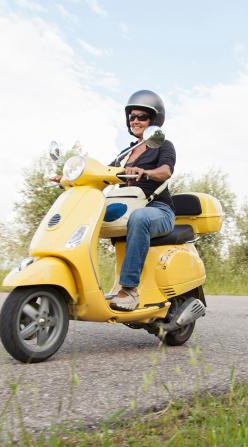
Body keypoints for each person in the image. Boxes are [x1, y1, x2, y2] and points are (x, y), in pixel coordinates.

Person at [107, 90, 176, 311]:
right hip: (129, 207)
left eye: (142, 117)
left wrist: (145, 173)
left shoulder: (163, 145)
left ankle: (129, 290)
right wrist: (71, 177)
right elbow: (104, 173)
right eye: (132, 117)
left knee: (139, 218)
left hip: (158, 209)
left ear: (153, 121)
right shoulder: (126, 152)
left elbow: (165, 171)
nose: (135, 120)